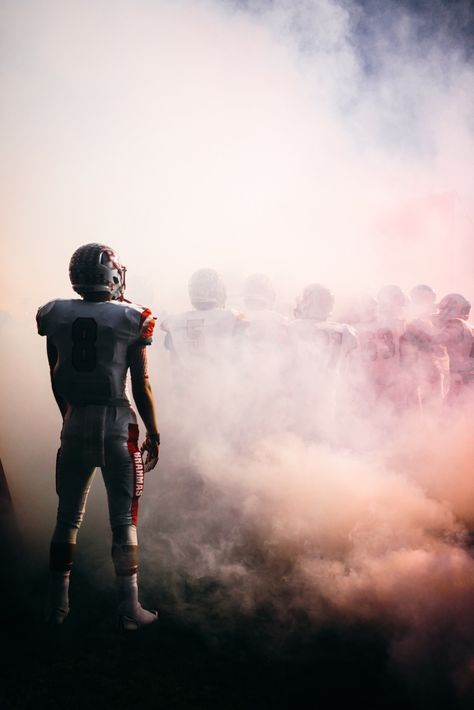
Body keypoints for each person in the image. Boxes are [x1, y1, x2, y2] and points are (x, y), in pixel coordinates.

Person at [36, 243, 160, 630]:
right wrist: (154, 432)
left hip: (74, 424)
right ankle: (129, 609)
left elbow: (56, 375)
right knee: (123, 520)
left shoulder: (54, 313)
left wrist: (69, 416)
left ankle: (57, 607)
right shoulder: (131, 316)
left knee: (66, 519)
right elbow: (141, 384)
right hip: (117, 425)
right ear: (113, 275)